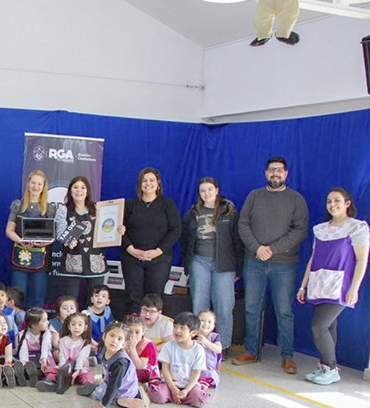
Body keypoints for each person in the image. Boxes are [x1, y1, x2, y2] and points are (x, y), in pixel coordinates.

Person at [234, 157, 309, 374]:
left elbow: (299, 231)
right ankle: (251, 350)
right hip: (254, 262)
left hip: (284, 265)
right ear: (266, 173)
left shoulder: (296, 200)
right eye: (271, 170)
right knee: (251, 308)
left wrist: (272, 249)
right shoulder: (254, 196)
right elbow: (243, 224)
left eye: (279, 170)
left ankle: (287, 356)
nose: (275, 173)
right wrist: (257, 248)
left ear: (286, 174)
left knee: (284, 311)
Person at [296, 188, 370, 385]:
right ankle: (325, 367)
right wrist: (303, 286)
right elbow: (313, 258)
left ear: (347, 203)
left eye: (337, 200)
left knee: (318, 327)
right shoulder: (320, 229)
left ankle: (331, 367)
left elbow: (361, 259)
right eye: (329, 201)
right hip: (320, 284)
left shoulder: (357, 227)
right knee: (329, 327)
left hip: (340, 286)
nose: (332, 204)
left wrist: (354, 288)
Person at [181, 177, 242, 351]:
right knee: (199, 304)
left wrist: (239, 268)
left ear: (217, 190)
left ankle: (222, 347)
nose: (206, 193)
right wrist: (188, 264)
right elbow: (185, 240)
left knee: (224, 305)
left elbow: (237, 241)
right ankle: (197, 344)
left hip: (224, 264)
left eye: (209, 189)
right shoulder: (193, 213)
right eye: (202, 191)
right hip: (199, 261)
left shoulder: (229, 212)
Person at [122, 167, 182, 315]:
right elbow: (118, 231)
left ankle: (152, 333)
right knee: (133, 297)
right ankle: (134, 330)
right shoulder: (129, 205)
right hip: (132, 258)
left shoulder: (167, 205)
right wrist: (132, 250)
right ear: (139, 184)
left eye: (151, 180)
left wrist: (157, 252)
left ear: (158, 183)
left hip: (159, 259)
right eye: (144, 180)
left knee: (154, 297)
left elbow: (176, 230)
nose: (148, 184)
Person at [52, 175, 108, 307]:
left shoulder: (98, 208)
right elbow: (60, 235)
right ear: (70, 191)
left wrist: (117, 230)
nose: (79, 190)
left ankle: (91, 326)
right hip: (73, 261)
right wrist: (67, 240)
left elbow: (107, 230)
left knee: (96, 299)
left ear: (87, 190)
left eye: (83, 187)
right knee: (70, 299)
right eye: (75, 187)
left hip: (95, 261)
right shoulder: (63, 209)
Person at [5, 170, 57, 310]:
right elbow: (9, 231)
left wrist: (42, 242)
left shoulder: (50, 209)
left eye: (39, 184)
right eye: (33, 182)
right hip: (20, 258)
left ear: (44, 186)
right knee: (17, 297)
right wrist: (21, 241)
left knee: (37, 298)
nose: (36, 186)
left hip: (40, 259)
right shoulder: (18, 205)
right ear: (28, 184)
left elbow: (53, 236)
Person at [149, 312, 212, 408]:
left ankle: (182, 396)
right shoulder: (168, 346)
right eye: (175, 327)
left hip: (189, 385)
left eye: (182, 328)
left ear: (193, 332)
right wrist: (173, 389)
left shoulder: (198, 350)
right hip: (170, 384)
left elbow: (196, 373)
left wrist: (186, 390)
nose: (177, 331)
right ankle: (175, 395)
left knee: (200, 401)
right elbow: (165, 369)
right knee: (158, 396)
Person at [89, 322, 149, 408]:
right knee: (99, 390)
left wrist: (103, 404)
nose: (114, 341)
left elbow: (115, 385)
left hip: (124, 389)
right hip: (111, 380)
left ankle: (124, 399)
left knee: (99, 395)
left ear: (124, 344)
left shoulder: (120, 363)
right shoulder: (104, 348)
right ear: (104, 336)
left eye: (119, 339)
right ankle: (100, 387)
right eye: (112, 336)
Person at [37, 312, 95, 395]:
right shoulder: (63, 340)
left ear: (85, 327)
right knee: (52, 370)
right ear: (69, 326)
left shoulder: (86, 343)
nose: (76, 327)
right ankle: (50, 382)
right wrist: (63, 371)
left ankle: (87, 386)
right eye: (73, 324)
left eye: (80, 325)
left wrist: (77, 371)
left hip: (80, 367)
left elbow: (81, 358)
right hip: (66, 366)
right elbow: (62, 356)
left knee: (87, 375)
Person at [13, 307, 55, 388]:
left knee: (48, 370)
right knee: (27, 366)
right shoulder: (23, 334)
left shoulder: (46, 333)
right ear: (34, 325)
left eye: (47, 319)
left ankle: (40, 378)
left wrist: (44, 359)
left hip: (43, 357)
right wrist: (23, 362)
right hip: (30, 358)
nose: (48, 322)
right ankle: (24, 375)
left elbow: (45, 347)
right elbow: (23, 350)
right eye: (44, 320)